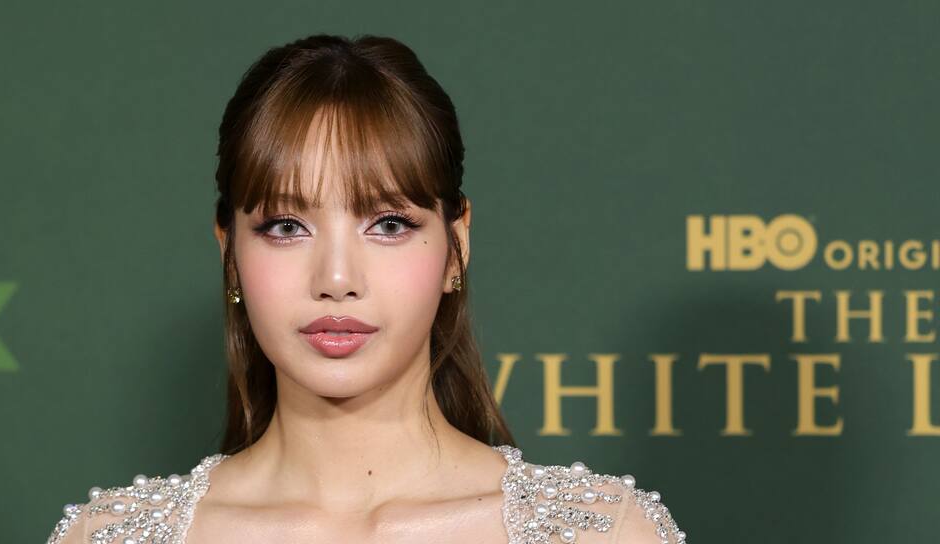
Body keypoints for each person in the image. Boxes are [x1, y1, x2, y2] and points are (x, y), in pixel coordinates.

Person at [45, 33, 685, 544]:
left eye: (388, 224)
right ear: (229, 253)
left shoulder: (603, 533)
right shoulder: (110, 537)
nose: (336, 280)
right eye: (286, 226)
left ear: (456, 245)